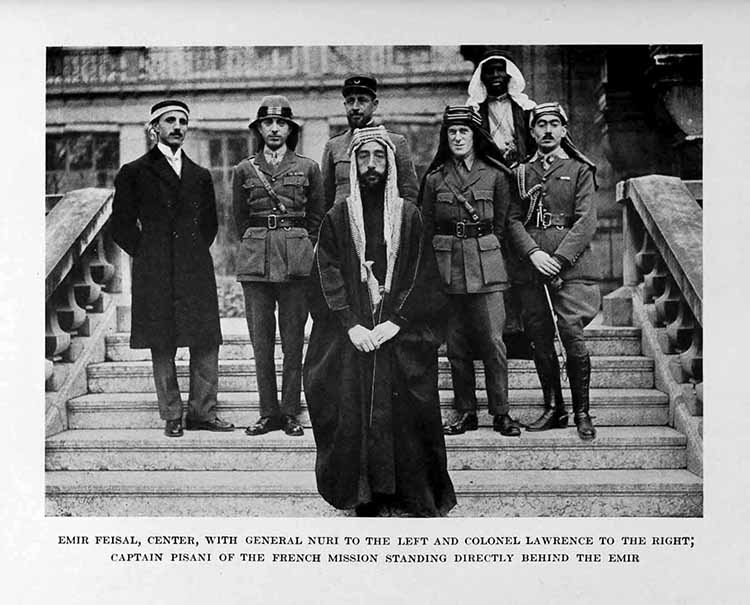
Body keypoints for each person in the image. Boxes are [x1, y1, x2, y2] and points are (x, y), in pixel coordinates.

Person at [304, 126, 456, 517]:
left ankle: (408, 492)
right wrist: (351, 325)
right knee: (348, 405)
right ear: (352, 164)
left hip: (398, 333)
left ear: (391, 163)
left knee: (408, 408)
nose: (371, 165)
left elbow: (423, 274)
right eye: (363, 157)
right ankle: (364, 495)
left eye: (379, 157)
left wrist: (398, 322)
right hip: (354, 334)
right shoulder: (337, 217)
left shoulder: (409, 216)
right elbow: (327, 271)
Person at [111, 99, 233, 438]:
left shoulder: (200, 175)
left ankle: (203, 413)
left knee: (206, 340)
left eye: (182, 121)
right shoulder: (134, 172)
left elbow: (209, 225)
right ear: (155, 129)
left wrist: (189, 252)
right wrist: (148, 253)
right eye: (170, 121)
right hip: (155, 271)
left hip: (195, 268)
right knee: (162, 341)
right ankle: (172, 414)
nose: (178, 126)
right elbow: (120, 225)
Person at [419, 105, 522, 437]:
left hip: (488, 268)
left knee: (493, 343)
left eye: (464, 131)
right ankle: (465, 412)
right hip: (447, 269)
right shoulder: (435, 179)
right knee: (457, 346)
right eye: (452, 132)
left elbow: (505, 224)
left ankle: (501, 413)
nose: (458, 137)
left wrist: (489, 253)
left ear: (476, 136)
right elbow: (426, 227)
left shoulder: (496, 175)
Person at [507, 102, 600, 440]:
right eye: (540, 124)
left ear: (563, 130)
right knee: (539, 338)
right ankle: (553, 408)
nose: (547, 130)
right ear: (531, 132)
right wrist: (532, 253)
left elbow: (586, 220)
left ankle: (582, 412)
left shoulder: (580, 170)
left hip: (570, 268)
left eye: (553, 124)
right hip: (529, 267)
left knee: (571, 333)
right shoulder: (520, 172)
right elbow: (512, 219)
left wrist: (558, 260)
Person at [233, 95, 325, 438]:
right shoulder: (244, 169)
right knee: (261, 342)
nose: (274, 129)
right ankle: (267, 412)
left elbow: (316, 217)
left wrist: (301, 245)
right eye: (267, 124)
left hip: (295, 264)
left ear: (290, 129)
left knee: (292, 342)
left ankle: (289, 413)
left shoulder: (308, 168)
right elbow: (239, 219)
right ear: (258, 129)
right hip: (256, 263)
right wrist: (259, 243)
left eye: (281, 123)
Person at [320, 75, 419, 210]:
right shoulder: (334, 146)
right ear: (345, 105)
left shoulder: (395, 143)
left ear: (375, 105)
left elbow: (410, 195)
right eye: (350, 101)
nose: (355, 107)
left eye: (362, 101)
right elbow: (325, 199)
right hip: (343, 225)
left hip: (383, 223)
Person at [467, 51, 537, 170]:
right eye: (489, 71)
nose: (495, 75)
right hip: (487, 171)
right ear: (482, 77)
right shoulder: (474, 110)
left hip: (522, 170)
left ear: (509, 74)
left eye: (500, 70)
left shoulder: (525, 107)